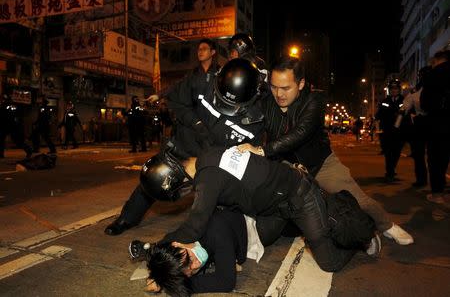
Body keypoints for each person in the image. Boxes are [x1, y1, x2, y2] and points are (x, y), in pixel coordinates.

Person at [238, 57, 413, 245]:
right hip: (284, 165)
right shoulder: (265, 102)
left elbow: (301, 133)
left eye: (286, 88)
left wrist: (263, 150)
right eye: (274, 87)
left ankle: (387, 226)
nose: (279, 94)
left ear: (301, 83)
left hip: (320, 163)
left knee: (357, 199)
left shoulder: (315, 99)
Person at [139, 147, 376, 275]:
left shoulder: (207, 178)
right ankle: (310, 226)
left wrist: (157, 248)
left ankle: (361, 239)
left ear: (176, 182)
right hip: (273, 206)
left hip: (300, 196)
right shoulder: (206, 158)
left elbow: (193, 228)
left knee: (329, 263)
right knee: (260, 241)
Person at [104, 58, 265, 235]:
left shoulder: (257, 118)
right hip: (186, 142)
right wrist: (196, 123)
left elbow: (245, 155)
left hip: (215, 158)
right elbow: (176, 101)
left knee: (217, 202)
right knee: (155, 177)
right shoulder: (201, 82)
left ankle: (203, 240)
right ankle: (127, 218)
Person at [420, 50, 450, 203]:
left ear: (438, 59)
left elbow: (424, 103)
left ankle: (437, 193)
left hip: (438, 122)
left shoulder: (433, 74)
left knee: (436, 157)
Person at [401, 66, 432, 187]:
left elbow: (405, 107)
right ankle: (428, 180)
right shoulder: (416, 91)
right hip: (426, 123)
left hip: (424, 123)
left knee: (423, 154)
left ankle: (424, 180)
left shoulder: (416, 91)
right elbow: (405, 107)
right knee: (425, 154)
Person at [375, 80, 405, 182]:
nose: (394, 91)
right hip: (387, 131)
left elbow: (409, 113)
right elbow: (378, 115)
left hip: (400, 131)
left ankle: (392, 169)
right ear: (389, 90)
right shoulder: (385, 101)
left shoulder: (404, 100)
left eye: (396, 89)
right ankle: (390, 172)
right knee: (388, 152)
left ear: (399, 90)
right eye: (392, 89)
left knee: (396, 152)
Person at [0, 94, 33, 159]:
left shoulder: (10, 107)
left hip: (11, 125)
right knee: (1, 140)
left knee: (17, 140)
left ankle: (29, 150)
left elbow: (13, 116)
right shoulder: (4, 106)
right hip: (4, 125)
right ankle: (1, 154)